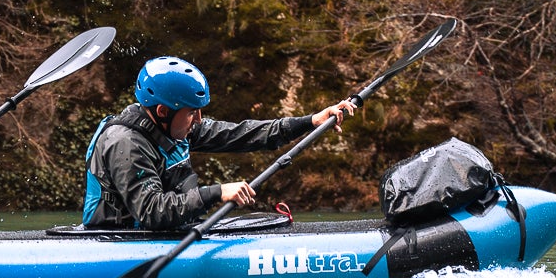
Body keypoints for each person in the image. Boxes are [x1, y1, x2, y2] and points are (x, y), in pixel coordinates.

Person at [82, 56, 354, 233]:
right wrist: (217, 192)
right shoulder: (125, 144)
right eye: (192, 112)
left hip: (162, 233)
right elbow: (152, 211)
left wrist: (310, 121)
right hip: (117, 240)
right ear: (163, 111)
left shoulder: (175, 127)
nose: (199, 119)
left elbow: (242, 134)